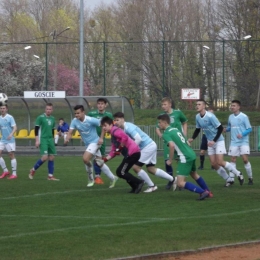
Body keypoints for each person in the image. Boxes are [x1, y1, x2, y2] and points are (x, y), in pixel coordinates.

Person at [113, 112, 176, 193]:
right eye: (115, 120)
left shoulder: (128, 127)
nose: (116, 122)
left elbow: (138, 139)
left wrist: (132, 150)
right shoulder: (123, 128)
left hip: (147, 146)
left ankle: (152, 186)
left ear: (123, 119)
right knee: (151, 169)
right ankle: (173, 179)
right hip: (150, 145)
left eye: (118, 120)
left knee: (136, 167)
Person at [188, 99, 244, 187]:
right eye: (196, 104)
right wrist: (192, 138)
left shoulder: (210, 116)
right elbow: (198, 129)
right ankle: (228, 179)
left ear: (203, 106)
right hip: (210, 142)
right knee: (214, 164)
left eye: (199, 104)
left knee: (220, 162)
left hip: (218, 141)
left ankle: (238, 173)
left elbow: (220, 128)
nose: (197, 106)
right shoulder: (197, 117)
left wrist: (214, 140)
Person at [157, 114, 212, 200]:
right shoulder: (175, 129)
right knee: (194, 174)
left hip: (185, 157)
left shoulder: (166, 133)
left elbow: (171, 146)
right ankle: (208, 192)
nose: (159, 124)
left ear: (165, 122)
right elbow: (185, 142)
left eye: (160, 122)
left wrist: (170, 160)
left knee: (180, 183)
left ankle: (202, 192)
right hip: (191, 154)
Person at [65, 105, 118, 188]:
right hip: (88, 144)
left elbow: (104, 126)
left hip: (95, 142)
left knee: (85, 159)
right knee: (99, 162)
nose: (76, 115)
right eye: (75, 113)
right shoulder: (74, 121)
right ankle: (113, 178)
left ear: (83, 112)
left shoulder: (90, 120)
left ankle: (90, 178)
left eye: (78, 113)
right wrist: (67, 138)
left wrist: (101, 138)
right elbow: (70, 132)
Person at [99, 116, 145, 194]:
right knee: (120, 172)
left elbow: (124, 137)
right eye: (102, 126)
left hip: (133, 153)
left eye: (105, 125)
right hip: (130, 154)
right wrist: (104, 160)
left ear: (111, 125)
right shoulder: (113, 135)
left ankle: (139, 182)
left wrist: (120, 148)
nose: (103, 128)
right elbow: (113, 151)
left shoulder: (115, 130)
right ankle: (135, 187)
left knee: (122, 172)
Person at [156, 97, 188, 189]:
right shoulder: (162, 115)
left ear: (170, 104)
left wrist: (185, 134)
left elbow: (185, 122)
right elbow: (157, 128)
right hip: (168, 141)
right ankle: (171, 180)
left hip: (178, 141)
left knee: (180, 160)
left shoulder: (178, 113)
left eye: (165, 104)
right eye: (162, 105)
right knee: (167, 161)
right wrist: (161, 136)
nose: (163, 106)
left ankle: (181, 182)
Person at [225, 100, 253, 185]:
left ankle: (250, 178)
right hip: (234, 142)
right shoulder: (230, 117)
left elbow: (249, 128)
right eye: (231, 106)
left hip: (243, 141)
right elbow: (230, 127)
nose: (232, 107)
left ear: (238, 107)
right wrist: (226, 129)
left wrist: (242, 134)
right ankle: (231, 180)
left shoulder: (244, 116)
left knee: (245, 160)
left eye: (234, 106)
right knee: (232, 160)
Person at [29, 103, 59, 181]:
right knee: (45, 157)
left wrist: (53, 139)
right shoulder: (40, 118)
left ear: (52, 110)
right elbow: (36, 129)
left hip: (50, 140)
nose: (48, 110)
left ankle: (50, 176)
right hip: (43, 139)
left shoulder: (52, 118)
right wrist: (37, 140)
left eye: (50, 109)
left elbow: (52, 129)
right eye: (47, 109)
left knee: (52, 157)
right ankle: (33, 170)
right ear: (45, 109)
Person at [87, 98, 113, 185]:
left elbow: (111, 126)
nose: (100, 105)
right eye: (99, 103)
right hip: (93, 139)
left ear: (105, 105)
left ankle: (99, 176)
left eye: (102, 103)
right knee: (95, 158)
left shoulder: (108, 115)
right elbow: (87, 124)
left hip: (102, 139)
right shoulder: (92, 114)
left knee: (101, 158)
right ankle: (97, 176)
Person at [0, 105, 18, 179]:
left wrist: (11, 134)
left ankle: (14, 173)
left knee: (11, 155)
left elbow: (15, 127)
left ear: (6, 109)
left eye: (3, 108)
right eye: (1, 108)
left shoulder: (10, 117)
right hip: (3, 139)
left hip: (10, 140)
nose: (2, 110)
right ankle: (5, 171)